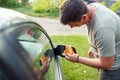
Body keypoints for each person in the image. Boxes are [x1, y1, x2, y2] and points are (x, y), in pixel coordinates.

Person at [60, 0, 120, 80]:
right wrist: (93, 47)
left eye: (75, 25)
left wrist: (77, 58)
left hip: (113, 70)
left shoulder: (103, 28)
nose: (71, 27)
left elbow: (106, 64)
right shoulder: (91, 7)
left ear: (84, 17)